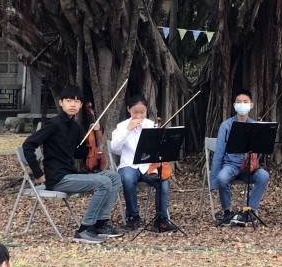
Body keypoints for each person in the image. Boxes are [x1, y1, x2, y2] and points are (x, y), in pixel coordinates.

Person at [22, 85, 124, 244]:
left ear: (81, 105)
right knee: (103, 182)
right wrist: (38, 174)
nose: (72, 104)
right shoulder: (53, 124)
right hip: (57, 178)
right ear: (61, 102)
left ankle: (100, 224)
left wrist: (94, 134)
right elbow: (28, 145)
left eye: (77, 101)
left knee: (114, 176)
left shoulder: (75, 127)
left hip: (70, 173)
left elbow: (78, 153)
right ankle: (84, 229)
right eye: (68, 100)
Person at [110, 94, 176, 233]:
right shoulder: (121, 126)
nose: (139, 115)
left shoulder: (151, 125)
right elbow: (114, 147)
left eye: (142, 112)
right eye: (135, 112)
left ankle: (161, 219)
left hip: (148, 166)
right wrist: (128, 129)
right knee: (128, 180)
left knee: (163, 181)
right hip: (129, 165)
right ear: (129, 109)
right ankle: (133, 217)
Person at [210, 88, 271, 226]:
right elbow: (219, 153)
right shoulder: (226, 125)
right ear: (234, 105)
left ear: (251, 105)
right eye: (239, 102)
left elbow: (259, 154)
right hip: (230, 165)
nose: (242, 105)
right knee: (222, 178)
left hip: (248, 167)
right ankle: (227, 211)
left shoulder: (255, 125)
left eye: (245, 102)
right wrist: (214, 178)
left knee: (263, 176)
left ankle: (249, 211)